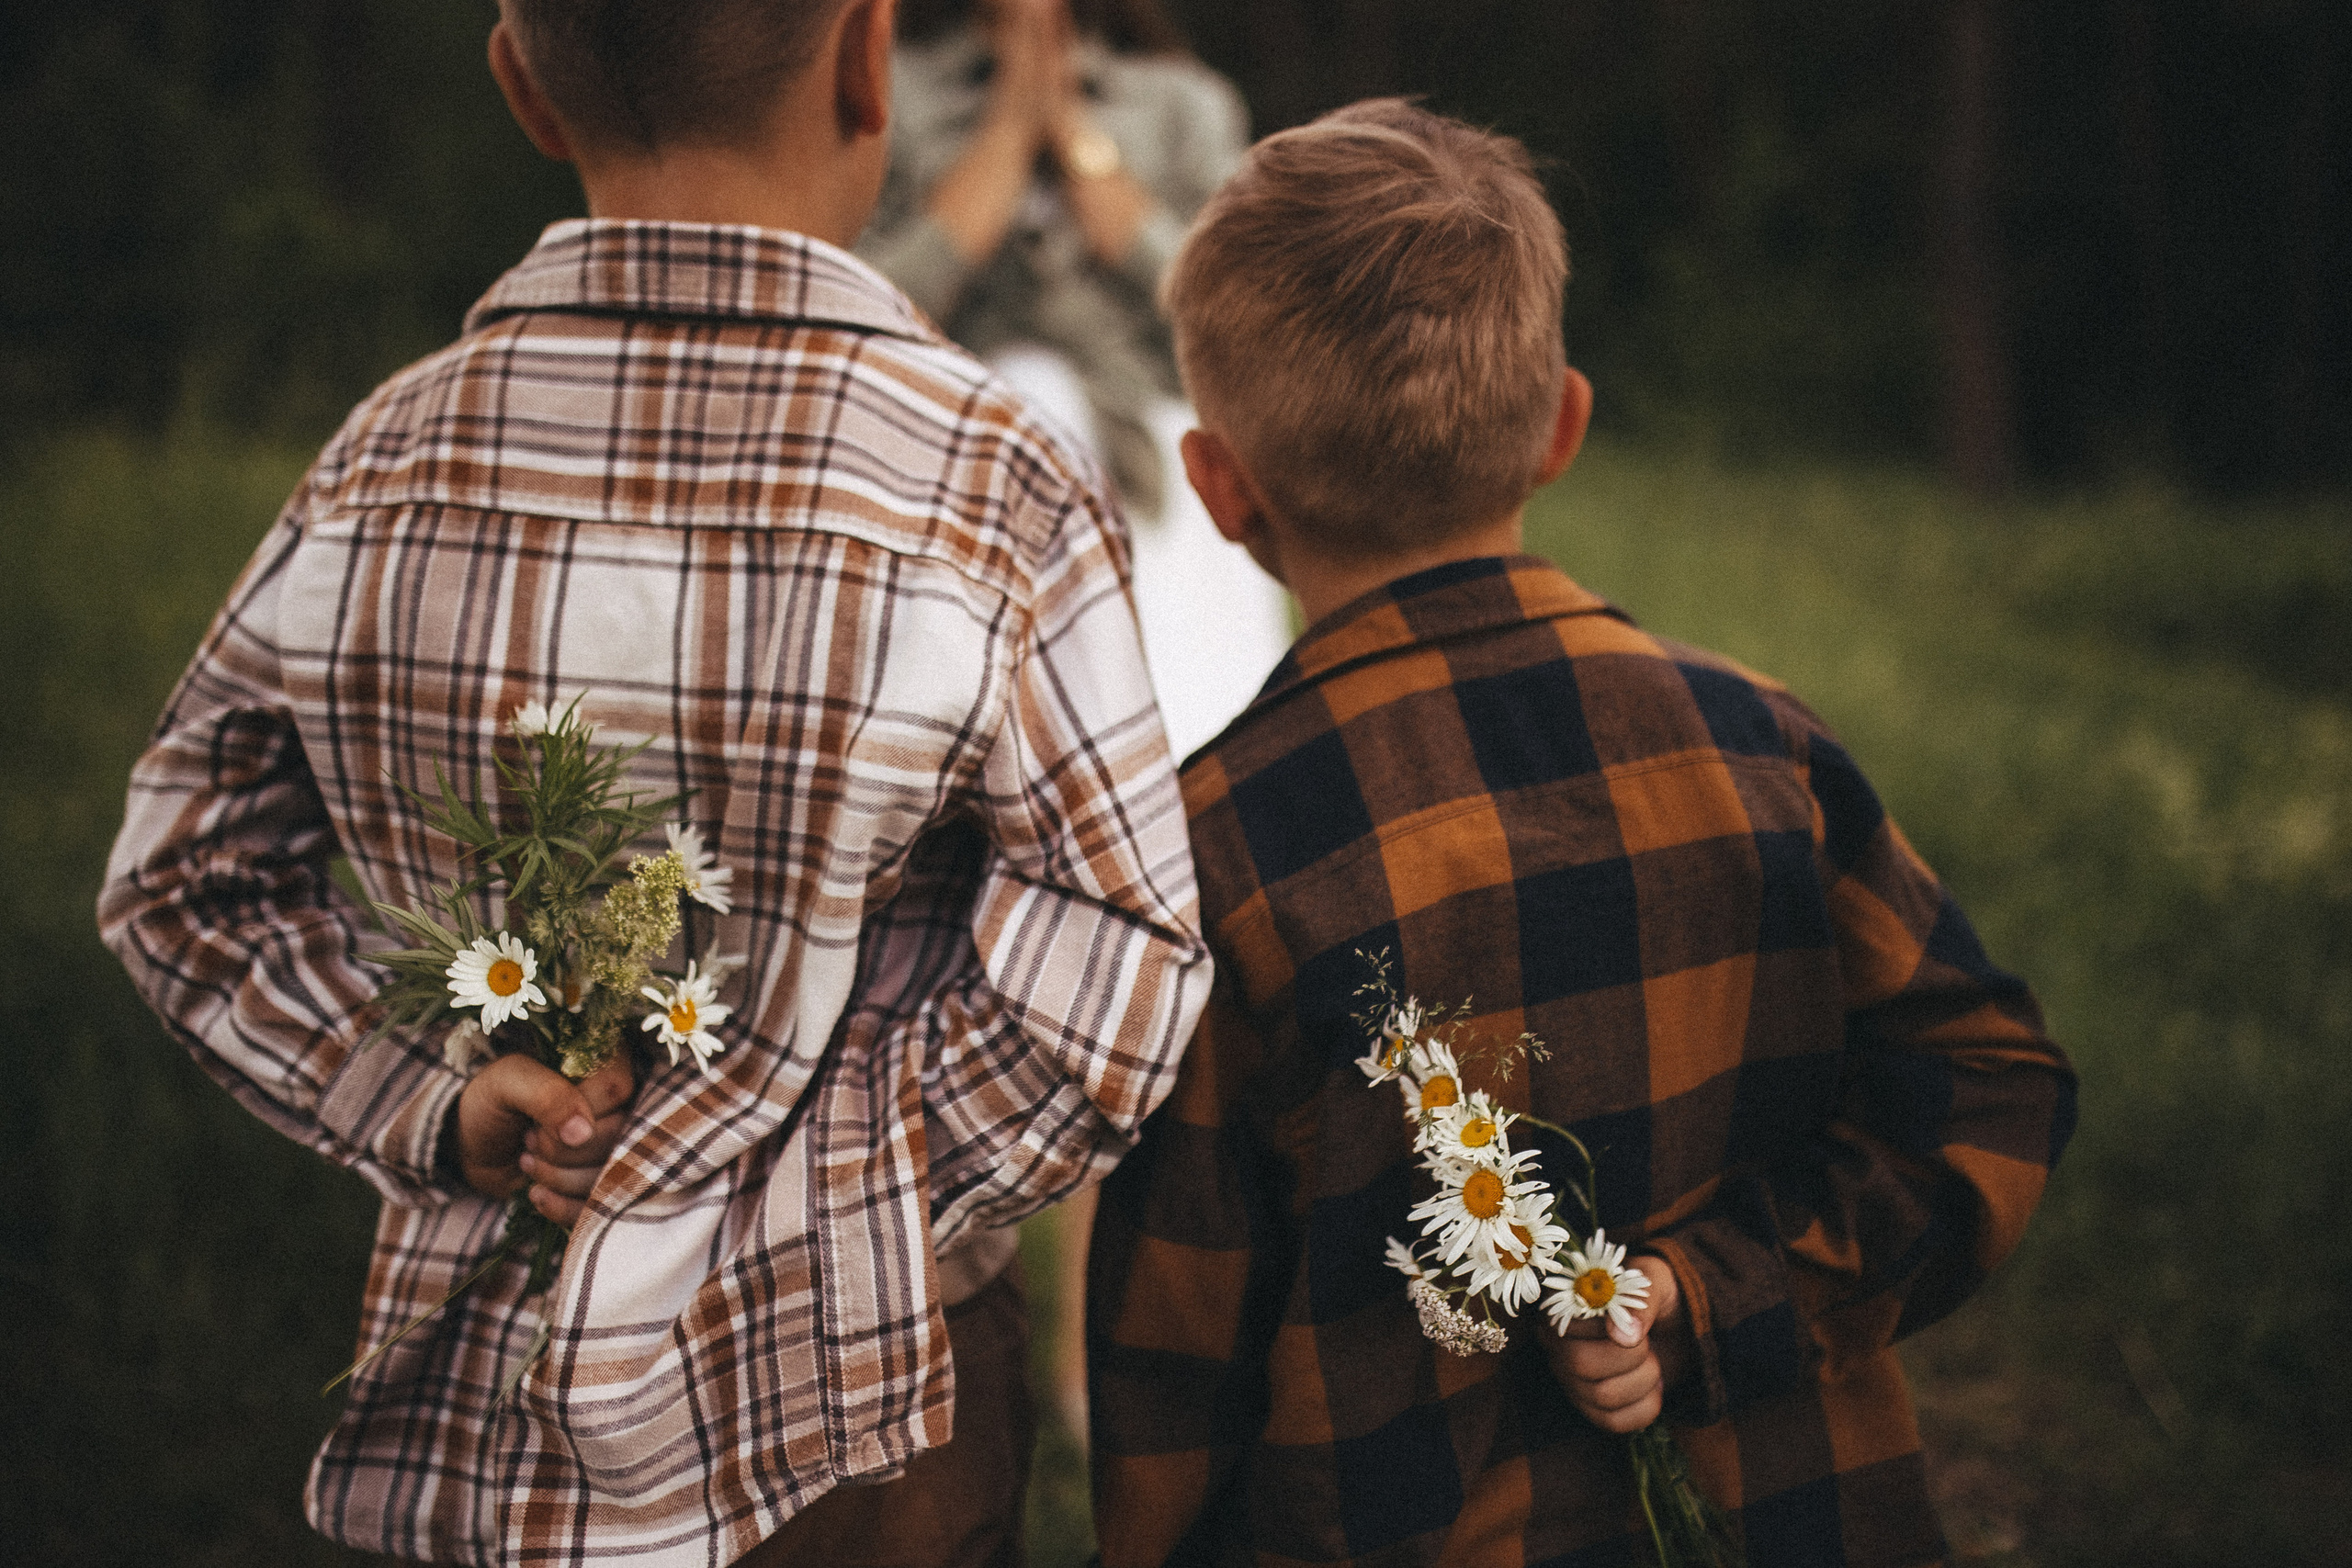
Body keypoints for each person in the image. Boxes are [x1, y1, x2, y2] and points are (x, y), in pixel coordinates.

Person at [96, 2, 1210, 1563]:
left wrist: (433, 1100)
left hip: (495, 1398)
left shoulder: (388, 458)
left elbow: (182, 877)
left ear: (521, 86)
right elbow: (1124, 958)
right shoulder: (988, 479)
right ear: (867, 62)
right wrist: (830, 1197)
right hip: (867, 1426)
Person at [1084, 100, 2078, 1566]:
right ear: (1563, 423)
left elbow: (1175, 1361)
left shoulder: (1210, 857)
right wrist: (1704, 1293)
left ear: (1218, 489)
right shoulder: (1770, 749)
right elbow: (1992, 1089)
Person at [858, 0, 1293, 760]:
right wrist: (1000, 141)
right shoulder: (887, 93)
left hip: (1140, 449)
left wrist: (1080, 149)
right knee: (1035, 391)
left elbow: (1240, 321)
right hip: (948, 455)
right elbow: (858, 307)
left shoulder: (1183, 103)